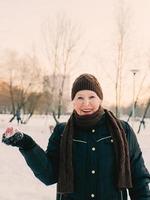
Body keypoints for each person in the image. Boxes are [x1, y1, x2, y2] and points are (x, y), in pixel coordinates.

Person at [2, 73, 150, 200]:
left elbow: (139, 179)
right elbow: (49, 175)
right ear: (73, 101)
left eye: (92, 96)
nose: (86, 103)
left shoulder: (123, 130)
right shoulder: (62, 132)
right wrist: (27, 145)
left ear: (100, 99)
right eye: (80, 97)